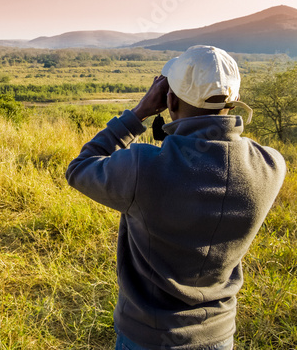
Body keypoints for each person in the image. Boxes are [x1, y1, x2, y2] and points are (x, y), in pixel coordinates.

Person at [65, 45, 286, 350]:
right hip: (220, 336)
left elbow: (79, 168)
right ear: (234, 102)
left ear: (169, 99)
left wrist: (139, 112)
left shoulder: (144, 166)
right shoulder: (270, 165)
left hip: (148, 338)